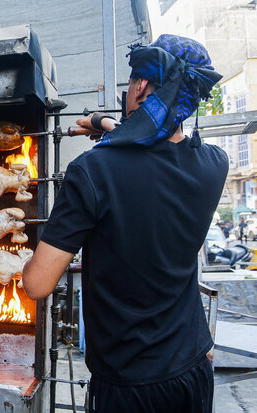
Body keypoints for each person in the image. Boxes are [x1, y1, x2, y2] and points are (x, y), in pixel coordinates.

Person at [22, 34, 228, 413]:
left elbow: (37, 285)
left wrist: (21, 263)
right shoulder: (214, 165)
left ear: (141, 84)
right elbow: (154, 149)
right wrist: (105, 124)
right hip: (193, 369)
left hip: (128, 387)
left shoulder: (92, 171)